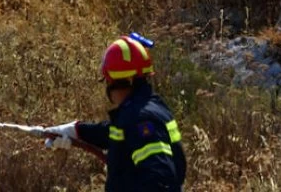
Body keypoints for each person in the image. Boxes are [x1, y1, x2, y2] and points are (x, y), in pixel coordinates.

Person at [32, 33, 186, 191]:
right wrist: (75, 131)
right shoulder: (148, 107)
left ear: (115, 82)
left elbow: (160, 179)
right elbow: (118, 133)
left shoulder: (141, 119)